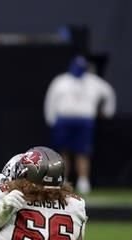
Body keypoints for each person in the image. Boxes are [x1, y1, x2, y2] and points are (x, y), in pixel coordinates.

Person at [44, 55, 116, 194]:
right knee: (63, 152)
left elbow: (109, 93)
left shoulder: (94, 81)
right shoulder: (61, 81)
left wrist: (108, 112)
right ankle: (62, 180)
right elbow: (50, 99)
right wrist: (51, 119)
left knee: (83, 152)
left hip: (84, 121)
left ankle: (83, 182)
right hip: (64, 120)